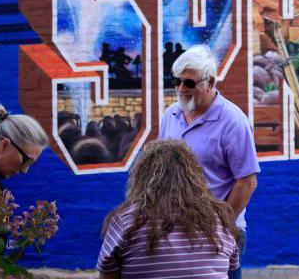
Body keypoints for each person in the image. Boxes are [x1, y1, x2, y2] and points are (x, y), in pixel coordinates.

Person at [158, 45, 259, 279]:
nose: (182, 89)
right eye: (178, 81)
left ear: (210, 82)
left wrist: (220, 225)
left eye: (190, 83)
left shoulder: (233, 122)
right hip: (176, 231)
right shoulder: (171, 115)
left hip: (217, 233)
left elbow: (247, 180)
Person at [97, 139, 239, 279]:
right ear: (196, 178)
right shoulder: (221, 221)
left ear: (141, 178)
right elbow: (231, 268)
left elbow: (107, 274)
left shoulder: (125, 222)